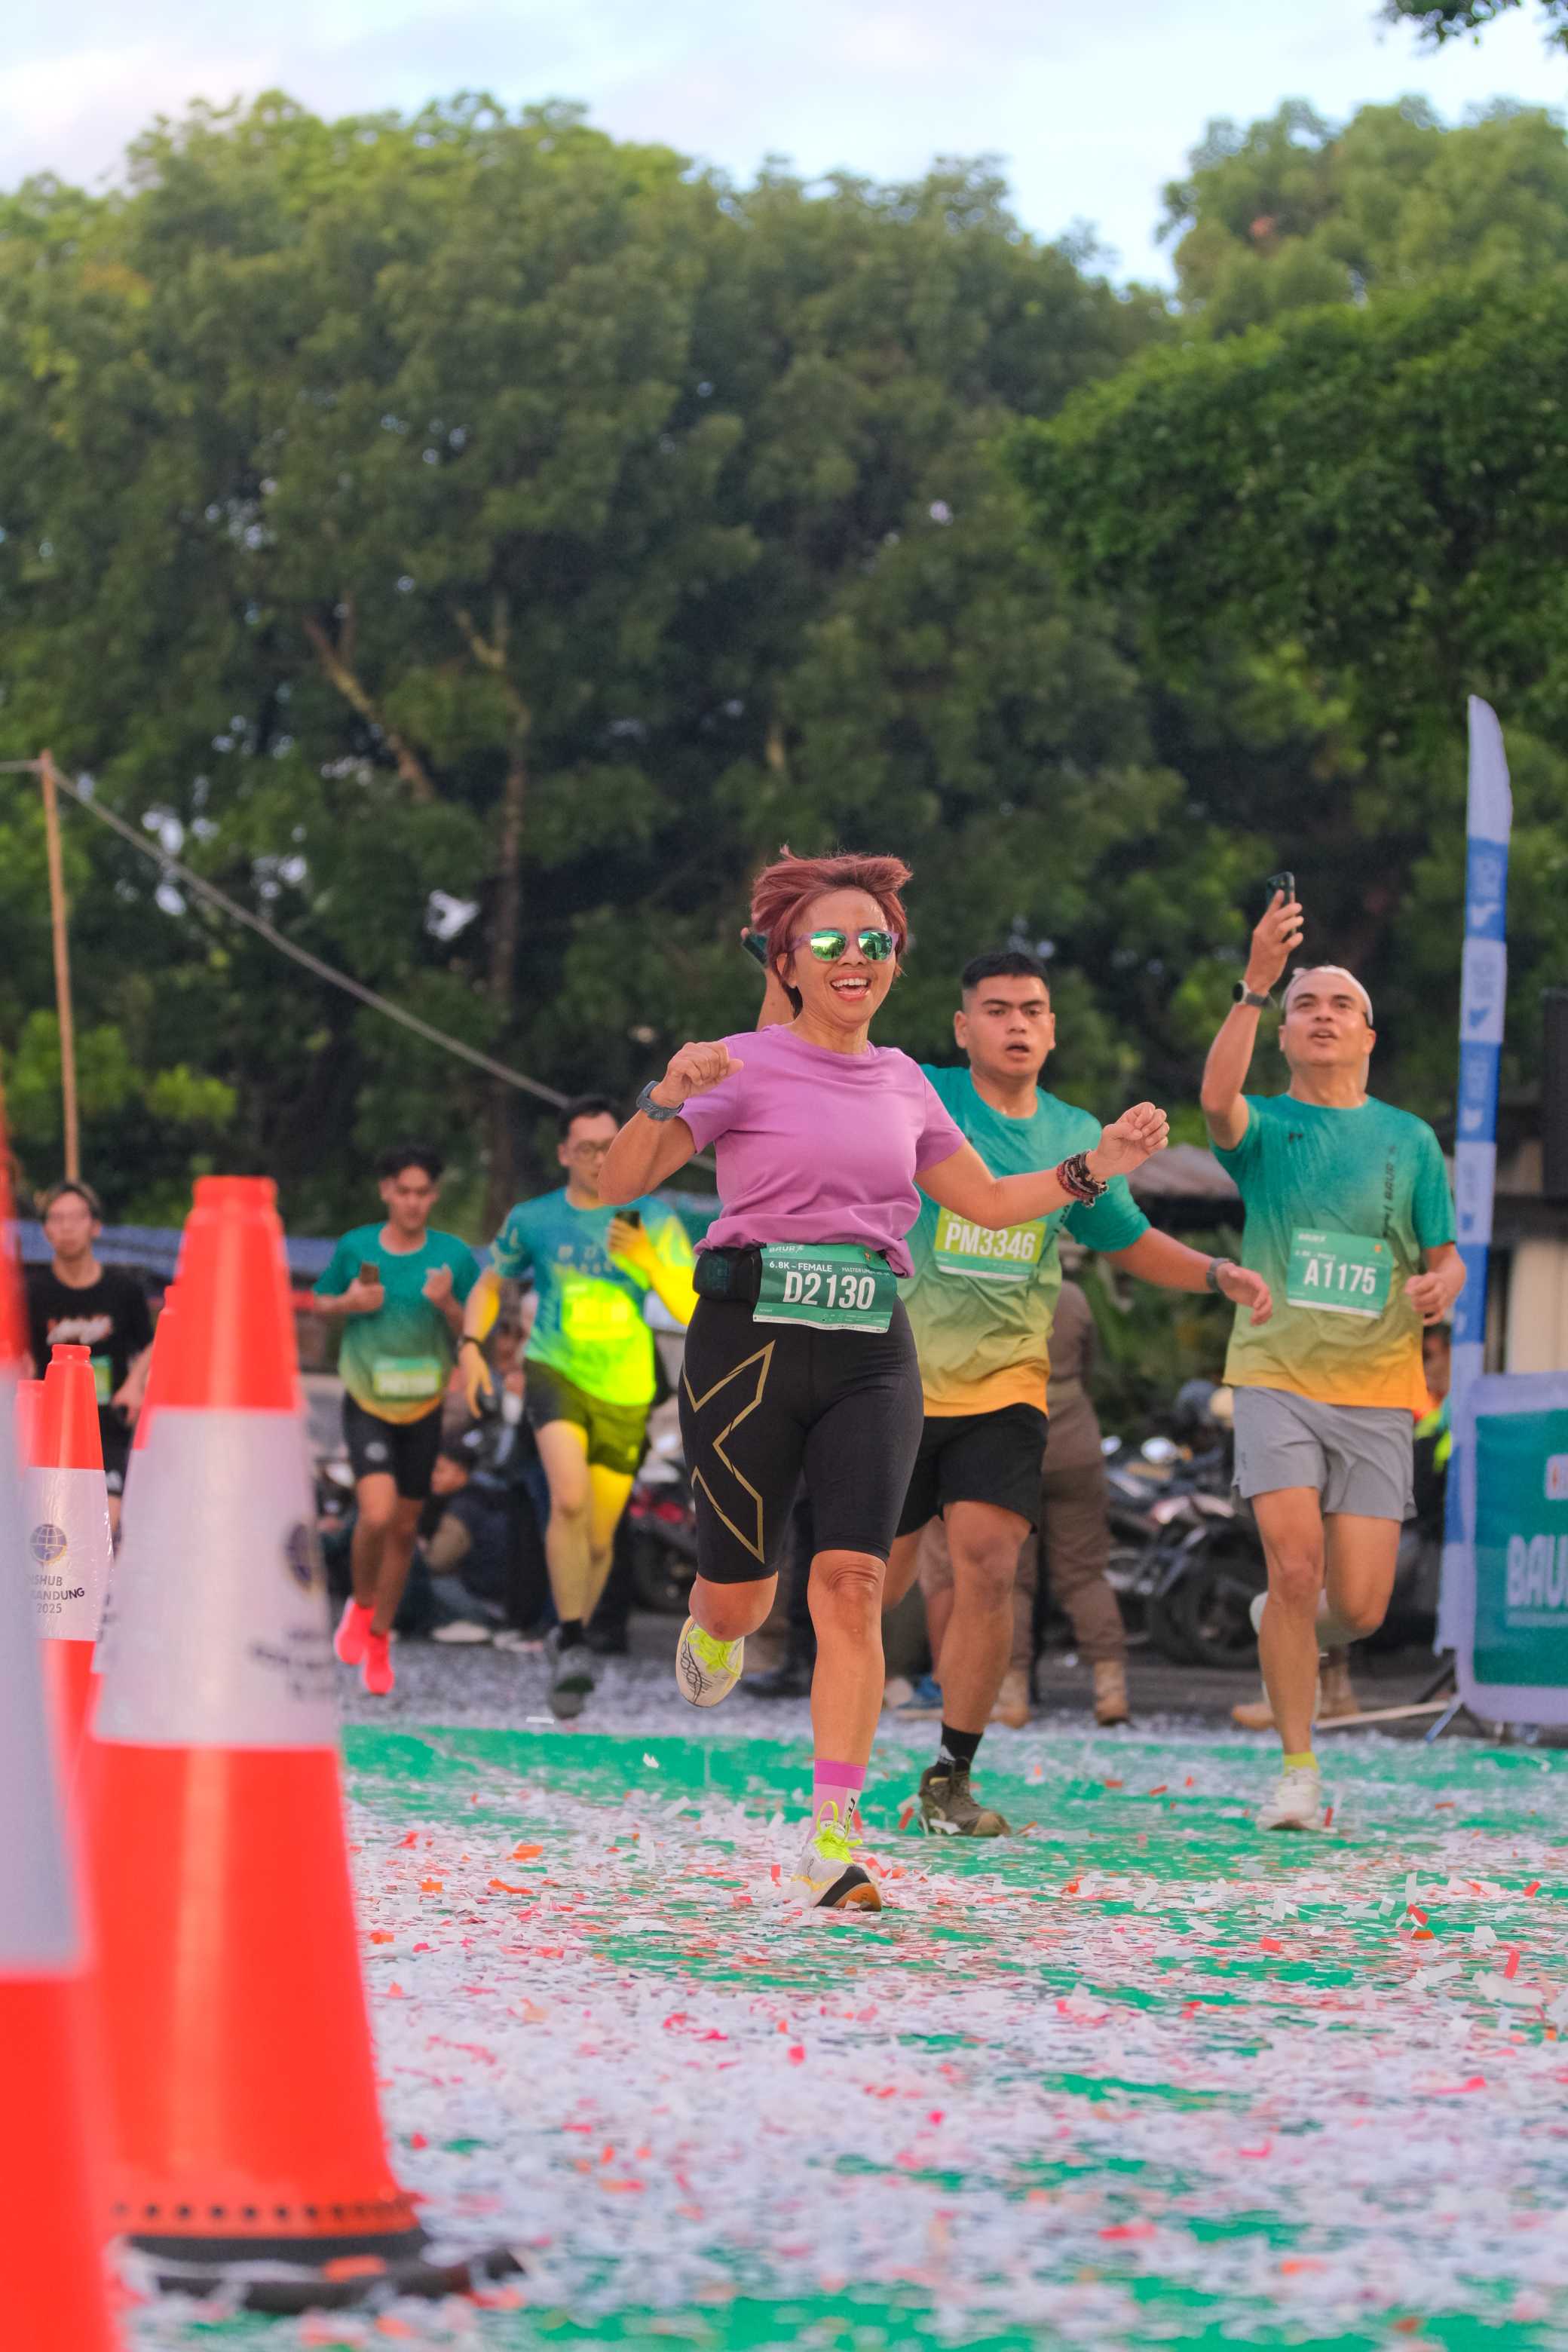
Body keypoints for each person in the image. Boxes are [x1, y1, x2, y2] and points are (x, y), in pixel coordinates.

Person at [598, 850, 1171, 1912]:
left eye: (875, 940)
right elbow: (616, 1182)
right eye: (828, 940)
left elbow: (988, 1202)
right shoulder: (740, 1063)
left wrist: (1097, 1167)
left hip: (870, 1345)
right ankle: (715, 1621)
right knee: (742, 1597)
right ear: (787, 963)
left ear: (895, 962)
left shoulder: (906, 1080)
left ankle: (834, 1839)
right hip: (747, 1344)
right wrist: (663, 1095)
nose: (854, 954)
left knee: (853, 1585)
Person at [866, 949, 1272, 1835]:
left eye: (1032, 1010)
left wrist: (1216, 1273)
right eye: (997, 1009)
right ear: (962, 1027)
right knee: (871, 1584)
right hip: (899, 1381)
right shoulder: (923, 1096)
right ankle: (839, 1759)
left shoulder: (1076, 1131)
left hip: (1009, 1388)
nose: (1017, 1024)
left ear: (1051, 1030)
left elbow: (1125, 1237)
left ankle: (949, 1778)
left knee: (988, 1565)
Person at [1201, 895, 1465, 1831]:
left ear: (1367, 1036)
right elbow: (1214, 1101)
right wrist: (1255, 984)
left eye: (1339, 1005)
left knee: (1356, 1605)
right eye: (1303, 1006)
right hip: (1274, 1374)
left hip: (1378, 1389)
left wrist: (1442, 1285)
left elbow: (1446, 1256)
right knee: (1295, 1564)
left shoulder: (1409, 1139)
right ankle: (1297, 1770)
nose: (1320, 1015)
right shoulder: (1264, 1127)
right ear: (1283, 1036)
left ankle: (1282, 1620)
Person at [461, 1095, 697, 1720]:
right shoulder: (534, 1219)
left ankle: (574, 1638)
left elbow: (692, 1307)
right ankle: (569, 1637)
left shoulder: (653, 1218)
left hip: (626, 1387)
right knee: (567, 1499)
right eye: (587, 1148)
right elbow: (491, 1284)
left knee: (598, 1536)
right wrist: (471, 1347)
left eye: (608, 1146)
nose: (598, 1159)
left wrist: (649, 1261)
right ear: (565, 1152)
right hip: (554, 1369)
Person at [314, 1144, 482, 1695]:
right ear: (386, 1191)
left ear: (434, 1196)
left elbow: (474, 1329)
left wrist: (448, 1305)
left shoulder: (453, 1256)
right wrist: (349, 1304)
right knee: (377, 1513)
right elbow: (319, 1303)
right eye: (403, 1191)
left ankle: (380, 1637)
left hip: (424, 1405)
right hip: (368, 1399)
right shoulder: (356, 1247)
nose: (412, 1202)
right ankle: (360, 1606)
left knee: (406, 1528)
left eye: (422, 1193)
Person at [24, 1180, 152, 1534]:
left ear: (95, 1225)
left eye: (76, 1217)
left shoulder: (124, 1290)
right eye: (57, 1218)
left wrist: (136, 1383)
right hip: (46, 1432)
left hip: (107, 1429)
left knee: (103, 1523)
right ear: (46, 1230)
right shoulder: (31, 1293)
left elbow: (152, 1345)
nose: (67, 1227)